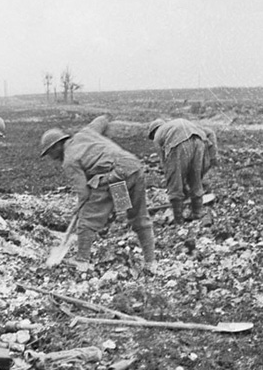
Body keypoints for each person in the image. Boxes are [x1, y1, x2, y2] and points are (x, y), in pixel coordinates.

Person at [40, 114, 155, 272]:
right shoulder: (86, 132)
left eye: (49, 153)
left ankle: (82, 261)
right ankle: (151, 262)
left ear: (56, 146)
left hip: (115, 175)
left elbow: (84, 192)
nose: (51, 158)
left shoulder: (69, 160)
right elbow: (101, 121)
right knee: (139, 217)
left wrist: (79, 209)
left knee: (87, 219)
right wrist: (106, 123)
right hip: (134, 166)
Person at [147, 118, 218, 223]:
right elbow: (210, 132)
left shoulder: (158, 136)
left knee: (174, 183)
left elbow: (165, 163)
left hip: (178, 144)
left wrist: (174, 182)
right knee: (195, 178)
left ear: (153, 132)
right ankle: (198, 212)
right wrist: (213, 157)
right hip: (199, 141)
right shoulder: (178, 124)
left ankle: (178, 219)